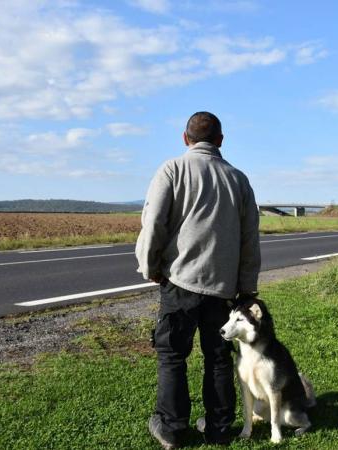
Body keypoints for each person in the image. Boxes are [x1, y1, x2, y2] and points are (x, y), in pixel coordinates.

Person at [135, 111, 261, 448]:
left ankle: (172, 429)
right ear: (220, 141)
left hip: (179, 281)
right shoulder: (239, 179)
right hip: (224, 289)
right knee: (218, 356)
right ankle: (219, 428)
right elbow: (250, 239)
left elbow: (155, 224)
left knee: (172, 355)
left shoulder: (172, 169)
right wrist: (247, 288)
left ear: (185, 138)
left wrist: (149, 266)